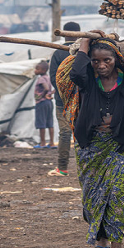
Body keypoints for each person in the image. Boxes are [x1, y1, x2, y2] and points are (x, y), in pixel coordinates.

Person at [68, 35, 124, 248]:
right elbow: (76, 73)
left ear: (117, 60)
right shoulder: (88, 81)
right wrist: (84, 43)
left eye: (107, 61)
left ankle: (117, 246)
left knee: (117, 193)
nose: (101, 66)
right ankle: (101, 236)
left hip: (122, 145)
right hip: (91, 147)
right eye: (95, 61)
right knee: (93, 195)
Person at [48, 21, 81, 177]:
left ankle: (62, 168)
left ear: (64, 34)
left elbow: (53, 78)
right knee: (82, 132)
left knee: (65, 133)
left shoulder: (57, 53)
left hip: (62, 100)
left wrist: (65, 92)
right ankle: (84, 166)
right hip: (82, 98)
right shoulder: (84, 51)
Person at [33, 61, 56, 149]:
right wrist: (50, 94)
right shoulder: (48, 77)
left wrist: (42, 96)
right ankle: (51, 143)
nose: (35, 71)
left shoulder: (41, 79)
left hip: (41, 102)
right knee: (50, 123)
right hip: (49, 102)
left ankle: (42, 143)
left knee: (41, 122)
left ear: (43, 70)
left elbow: (46, 88)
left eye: (37, 69)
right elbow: (53, 88)